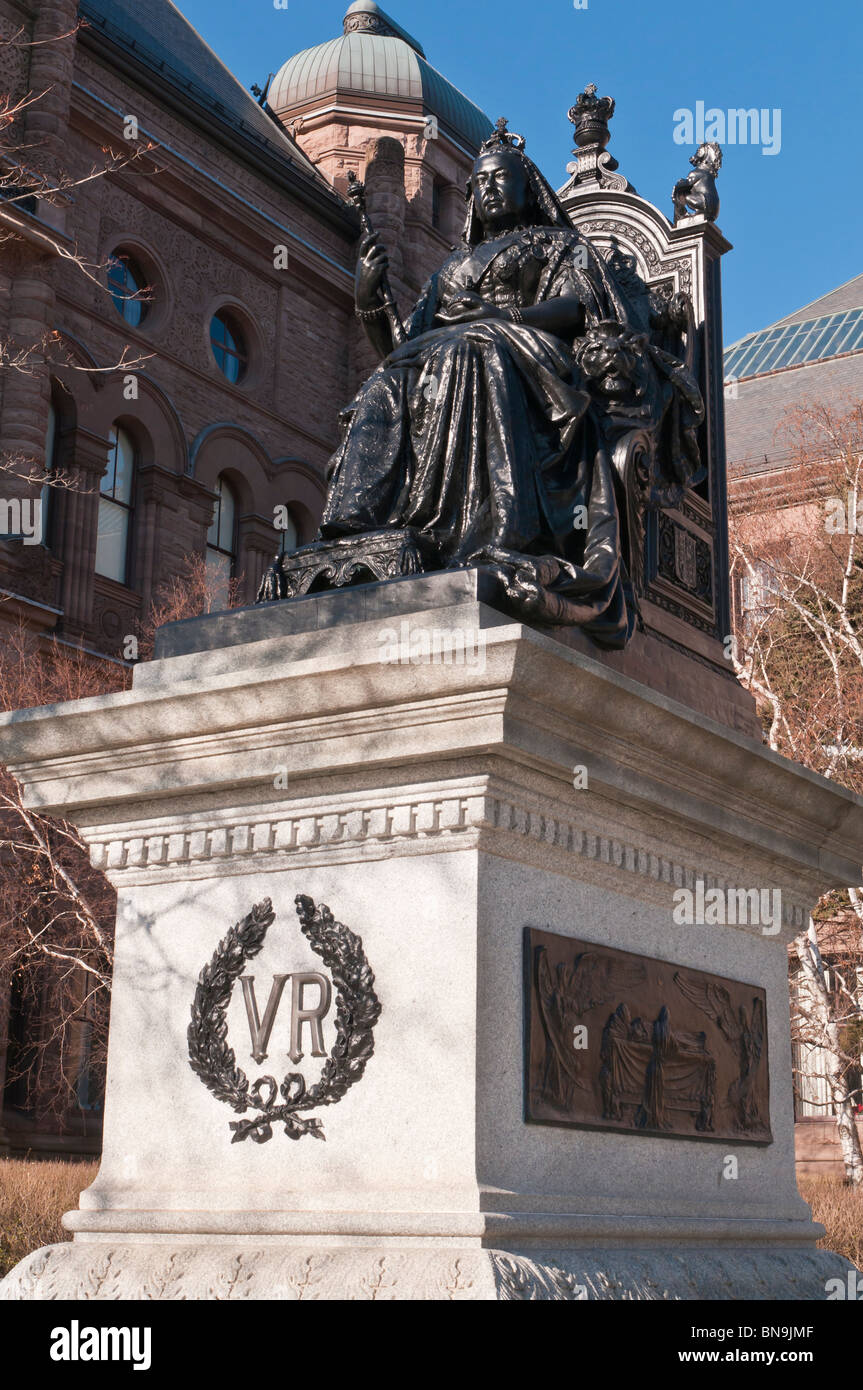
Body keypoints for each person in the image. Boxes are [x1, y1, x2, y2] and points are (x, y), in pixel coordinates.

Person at [318, 121, 702, 646]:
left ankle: (487, 533)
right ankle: (355, 527)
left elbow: (579, 308)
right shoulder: (450, 267)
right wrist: (367, 297)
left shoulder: (559, 244)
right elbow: (403, 344)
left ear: (527, 188)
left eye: (502, 178)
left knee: (472, 348)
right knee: (386, 383)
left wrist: (501, 313)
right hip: (447, 356)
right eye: (482, 182)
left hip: (527, 354)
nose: (490, 189)